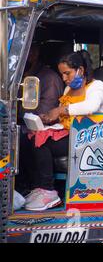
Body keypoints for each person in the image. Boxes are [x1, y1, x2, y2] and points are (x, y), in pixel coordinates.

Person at [24, 51, 103, 211]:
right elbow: (64, 115)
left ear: (81, 70)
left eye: (67, 73)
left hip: (89, 137)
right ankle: (37, 187)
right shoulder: (68, 89)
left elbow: (90, 107)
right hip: (68, 132)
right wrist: (49, 117)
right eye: (62, 74)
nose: (64, 79)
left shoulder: (98, 87)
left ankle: (49, 191)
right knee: (28, 139)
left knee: (43, 144)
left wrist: (61, 110)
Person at [15, 43, 65, 198]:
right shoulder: (23, 76)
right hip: (23, 122)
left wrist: (16, 110)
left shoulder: (48, 78)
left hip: (41, 125)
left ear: (34, 54)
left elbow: (45, 113)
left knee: (23, 138)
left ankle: (30, 186)